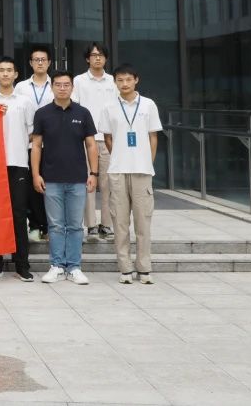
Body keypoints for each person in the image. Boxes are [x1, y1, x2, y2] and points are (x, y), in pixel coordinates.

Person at [31, 71, 99, 286]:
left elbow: (91, 145)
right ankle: (57, 266)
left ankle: (74, 267)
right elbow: (36, 146)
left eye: (66, 84)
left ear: (72, 87)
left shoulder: (83, 113)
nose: (62, 88)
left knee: (76, 225)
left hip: (78, 178)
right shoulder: (42, 113)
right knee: (56, 225)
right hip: (51, 178)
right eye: (58, 84)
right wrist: (35, 174)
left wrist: (94, 173)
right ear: (52, 87)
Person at [98, 64, 162, 285]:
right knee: (120, 222)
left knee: (143, 222)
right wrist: (119, 155)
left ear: (136, 80)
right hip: (117, 170)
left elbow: (153, 137)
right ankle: (125, 268)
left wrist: (147, 162)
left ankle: (144, 268)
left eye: (128, 79)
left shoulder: (148, 105)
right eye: (120, 80)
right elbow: (107, 138)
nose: (124, 84)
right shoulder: (109, 107)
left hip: (142, 171)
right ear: (115, 82)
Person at [0, 56, 35, 282]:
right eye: (1, 70)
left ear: (15, 75)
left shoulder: (24, 101)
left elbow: (32, 132)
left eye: (9, 70)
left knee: (18, 214)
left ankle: (22, 265)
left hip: (18, 163)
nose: (5, 74)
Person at [72, 43, 118, 240]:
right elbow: (74, 106)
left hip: (108, 138)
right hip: (86, 139)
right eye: (93, 55)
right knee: (88, 182)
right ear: (87, 59)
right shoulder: (79, 81)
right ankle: (91, 224)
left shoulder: (113, 81)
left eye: (101, 55)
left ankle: (106, 224)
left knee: (109, 184)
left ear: (106, 58)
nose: (97, 58)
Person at [15, 45, 54, 243]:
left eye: (43, 59)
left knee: (51, 186)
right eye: (36, 60)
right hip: (29, 145)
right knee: (32, 187)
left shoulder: (56, 84)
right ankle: (36, 225)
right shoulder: (21, 87)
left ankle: (50, 226)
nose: (40, 63)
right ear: (30, 63)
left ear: (49, 62)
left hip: (52, 145)